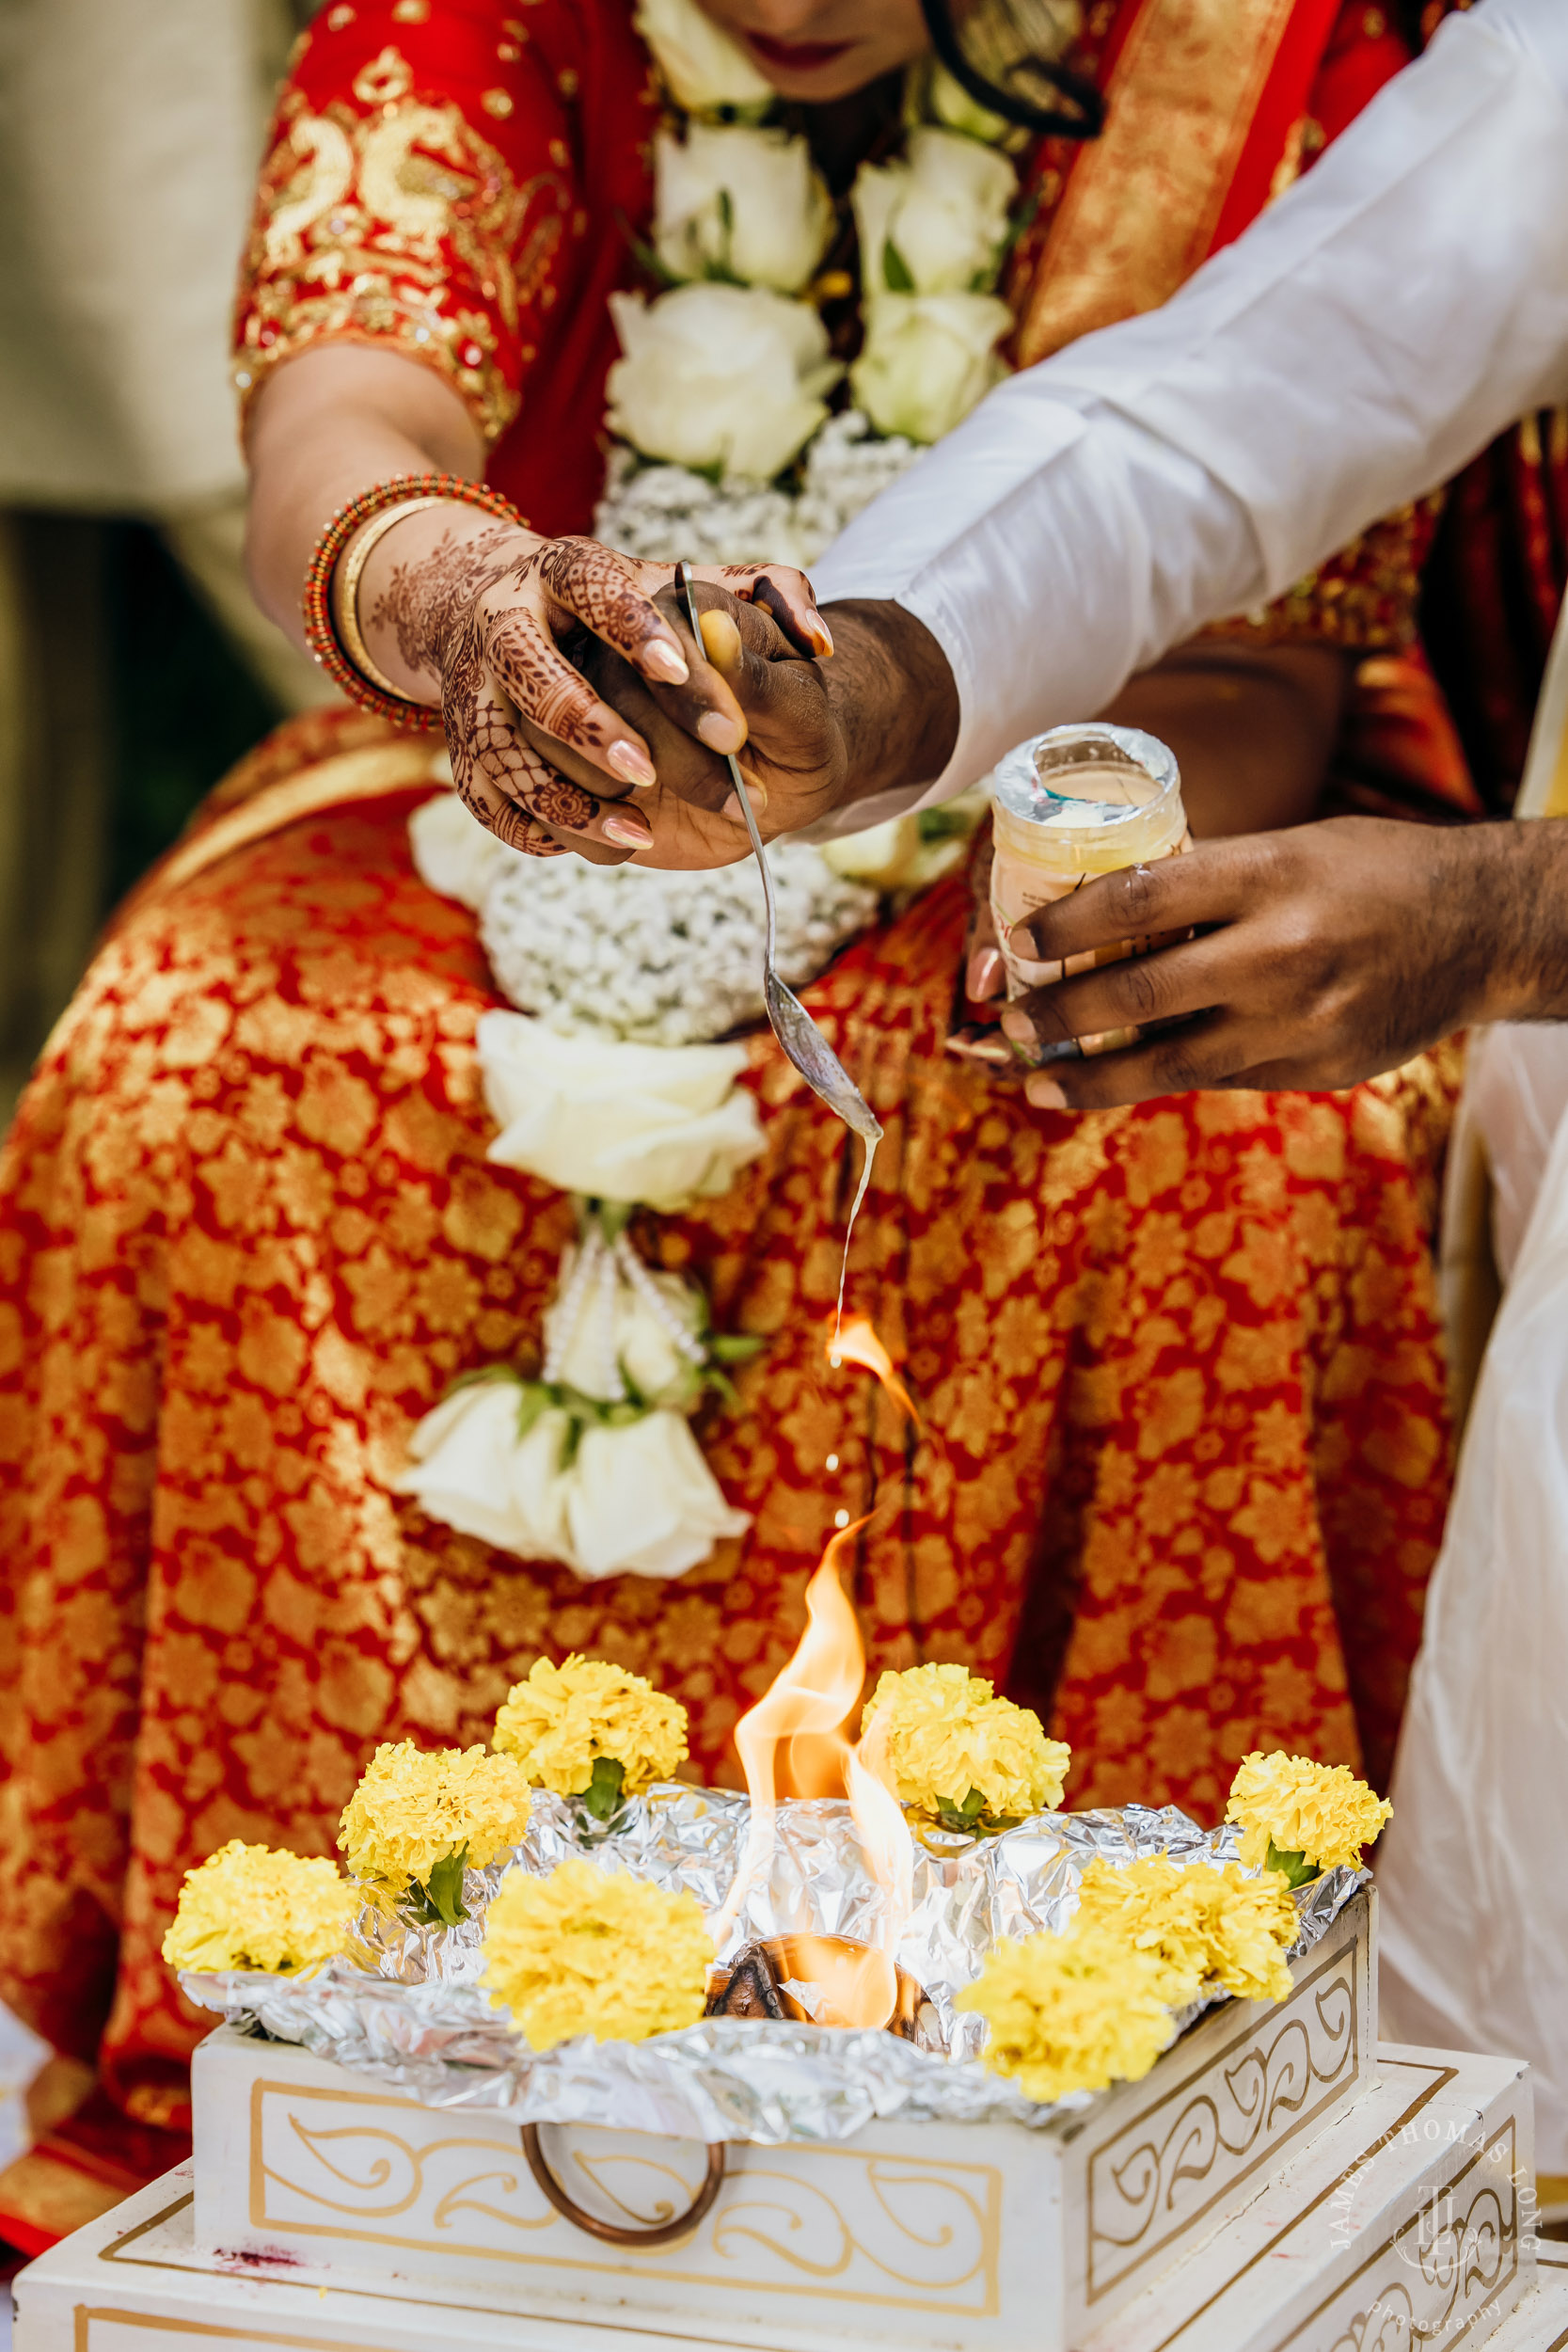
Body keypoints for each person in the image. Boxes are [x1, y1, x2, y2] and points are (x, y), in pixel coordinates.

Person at [0, 0, 1483, 2229]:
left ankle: (1142, 2071)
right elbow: (353, 396)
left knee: (1203, 1138)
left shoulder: (1259, 50)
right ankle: (315, 2058)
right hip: (520, 729)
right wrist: (463, 593)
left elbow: (1249, 620)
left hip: (1118, 750)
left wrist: (1048, 851)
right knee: (200, 1058)